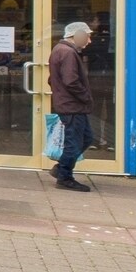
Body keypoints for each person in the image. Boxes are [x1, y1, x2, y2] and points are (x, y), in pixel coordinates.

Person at [47, 20, 96, 192]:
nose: (89, 41)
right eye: (87, 37)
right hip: (72, 106)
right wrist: (85, 97)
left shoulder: (60, 50)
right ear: (75, 36)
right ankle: (64, 176)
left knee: (85, 138)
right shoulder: (68, 53)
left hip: (70, 105)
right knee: (74, 142)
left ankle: (61, 168)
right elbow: (71, 81)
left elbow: (52, 79)